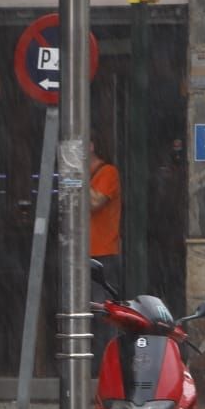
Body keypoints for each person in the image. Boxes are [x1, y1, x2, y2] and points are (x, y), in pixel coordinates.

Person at [89, 140, 122, 373]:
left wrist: (75, 173)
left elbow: (94, 202)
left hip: (103, 253)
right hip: (79, 252)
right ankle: (88, 365)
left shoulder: (108, 172)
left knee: (103, 313)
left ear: (91, 145)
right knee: (82, 313)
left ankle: (107, 366)